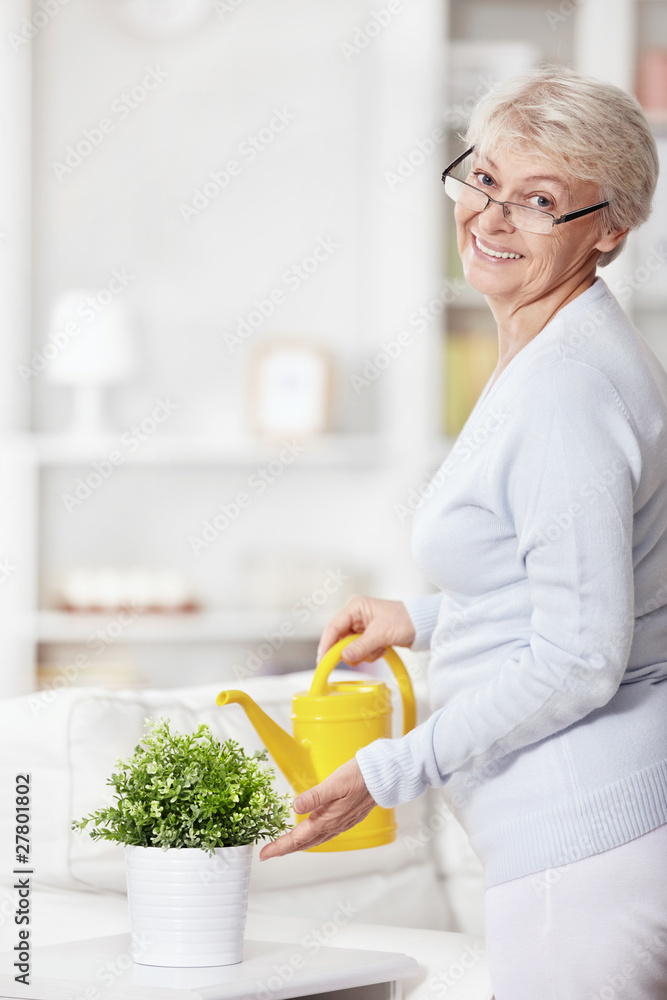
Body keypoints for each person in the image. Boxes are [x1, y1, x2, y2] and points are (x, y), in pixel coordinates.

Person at [259, 65, 667, 998]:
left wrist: (388, 770)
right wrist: (424, 617)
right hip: (587, 826)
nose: (488, 217)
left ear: (609, 228)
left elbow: (577, 658)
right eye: (482, 178)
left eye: (537, 200)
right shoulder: (555, 347)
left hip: (584, 836)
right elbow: (584, 577)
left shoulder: (567, 390)